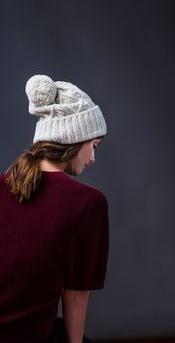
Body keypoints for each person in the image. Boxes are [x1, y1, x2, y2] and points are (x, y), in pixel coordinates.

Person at [0, 75, 109, 343]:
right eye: (93, 146)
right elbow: (75, 292)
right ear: (75, 138)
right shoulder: (88, 202)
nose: (93, 158)